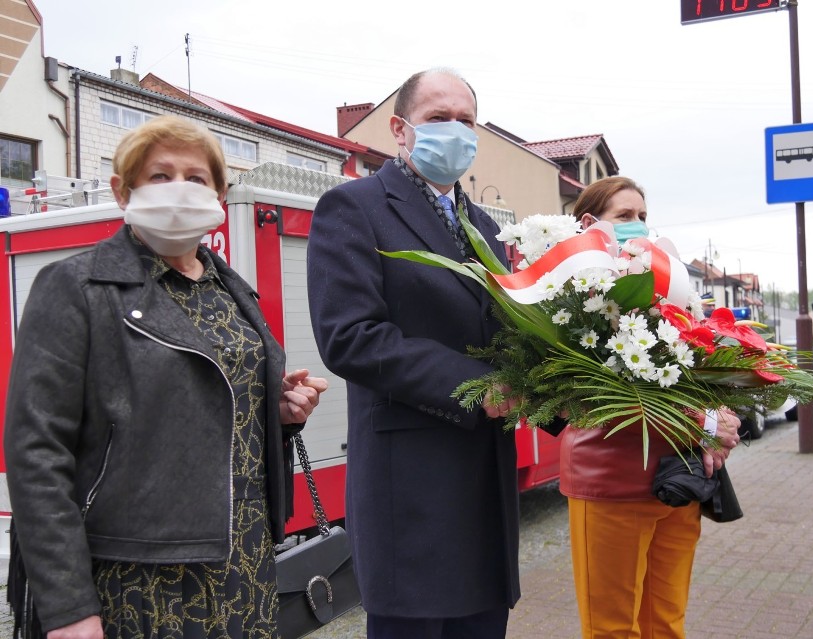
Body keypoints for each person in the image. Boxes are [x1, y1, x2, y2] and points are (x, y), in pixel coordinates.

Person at [4, 115, 328, 639]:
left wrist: (280, 415)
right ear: (122, 190)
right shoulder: (76, 286)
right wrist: (67, 607)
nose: (179, 188)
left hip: (244, 562)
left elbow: (219, 410)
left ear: (219, 194)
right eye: (159, 175)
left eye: (196, 177)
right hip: (138, 576)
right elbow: (37, 453)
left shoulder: (233, 290)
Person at [306, 68, 520, 639]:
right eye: (438, 118)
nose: (455, 131)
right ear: (400, 130)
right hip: (412, 498)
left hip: (484, 495)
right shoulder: (354, 207)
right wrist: (479, 388)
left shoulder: (485, 229)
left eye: (466, 121)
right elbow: (350, 336)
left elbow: (505, 339)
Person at [562, 176, 740, 638]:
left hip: (677, 482)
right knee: (613, 629)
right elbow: (594, 394)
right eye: (624, 217)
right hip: (611, 484)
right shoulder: (569, 297)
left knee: (667, 623)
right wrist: (699, 420)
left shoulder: (672, 292)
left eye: (642, 216)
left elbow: (700, 372)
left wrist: (720, 412)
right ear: (589, 223)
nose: (637, 225)